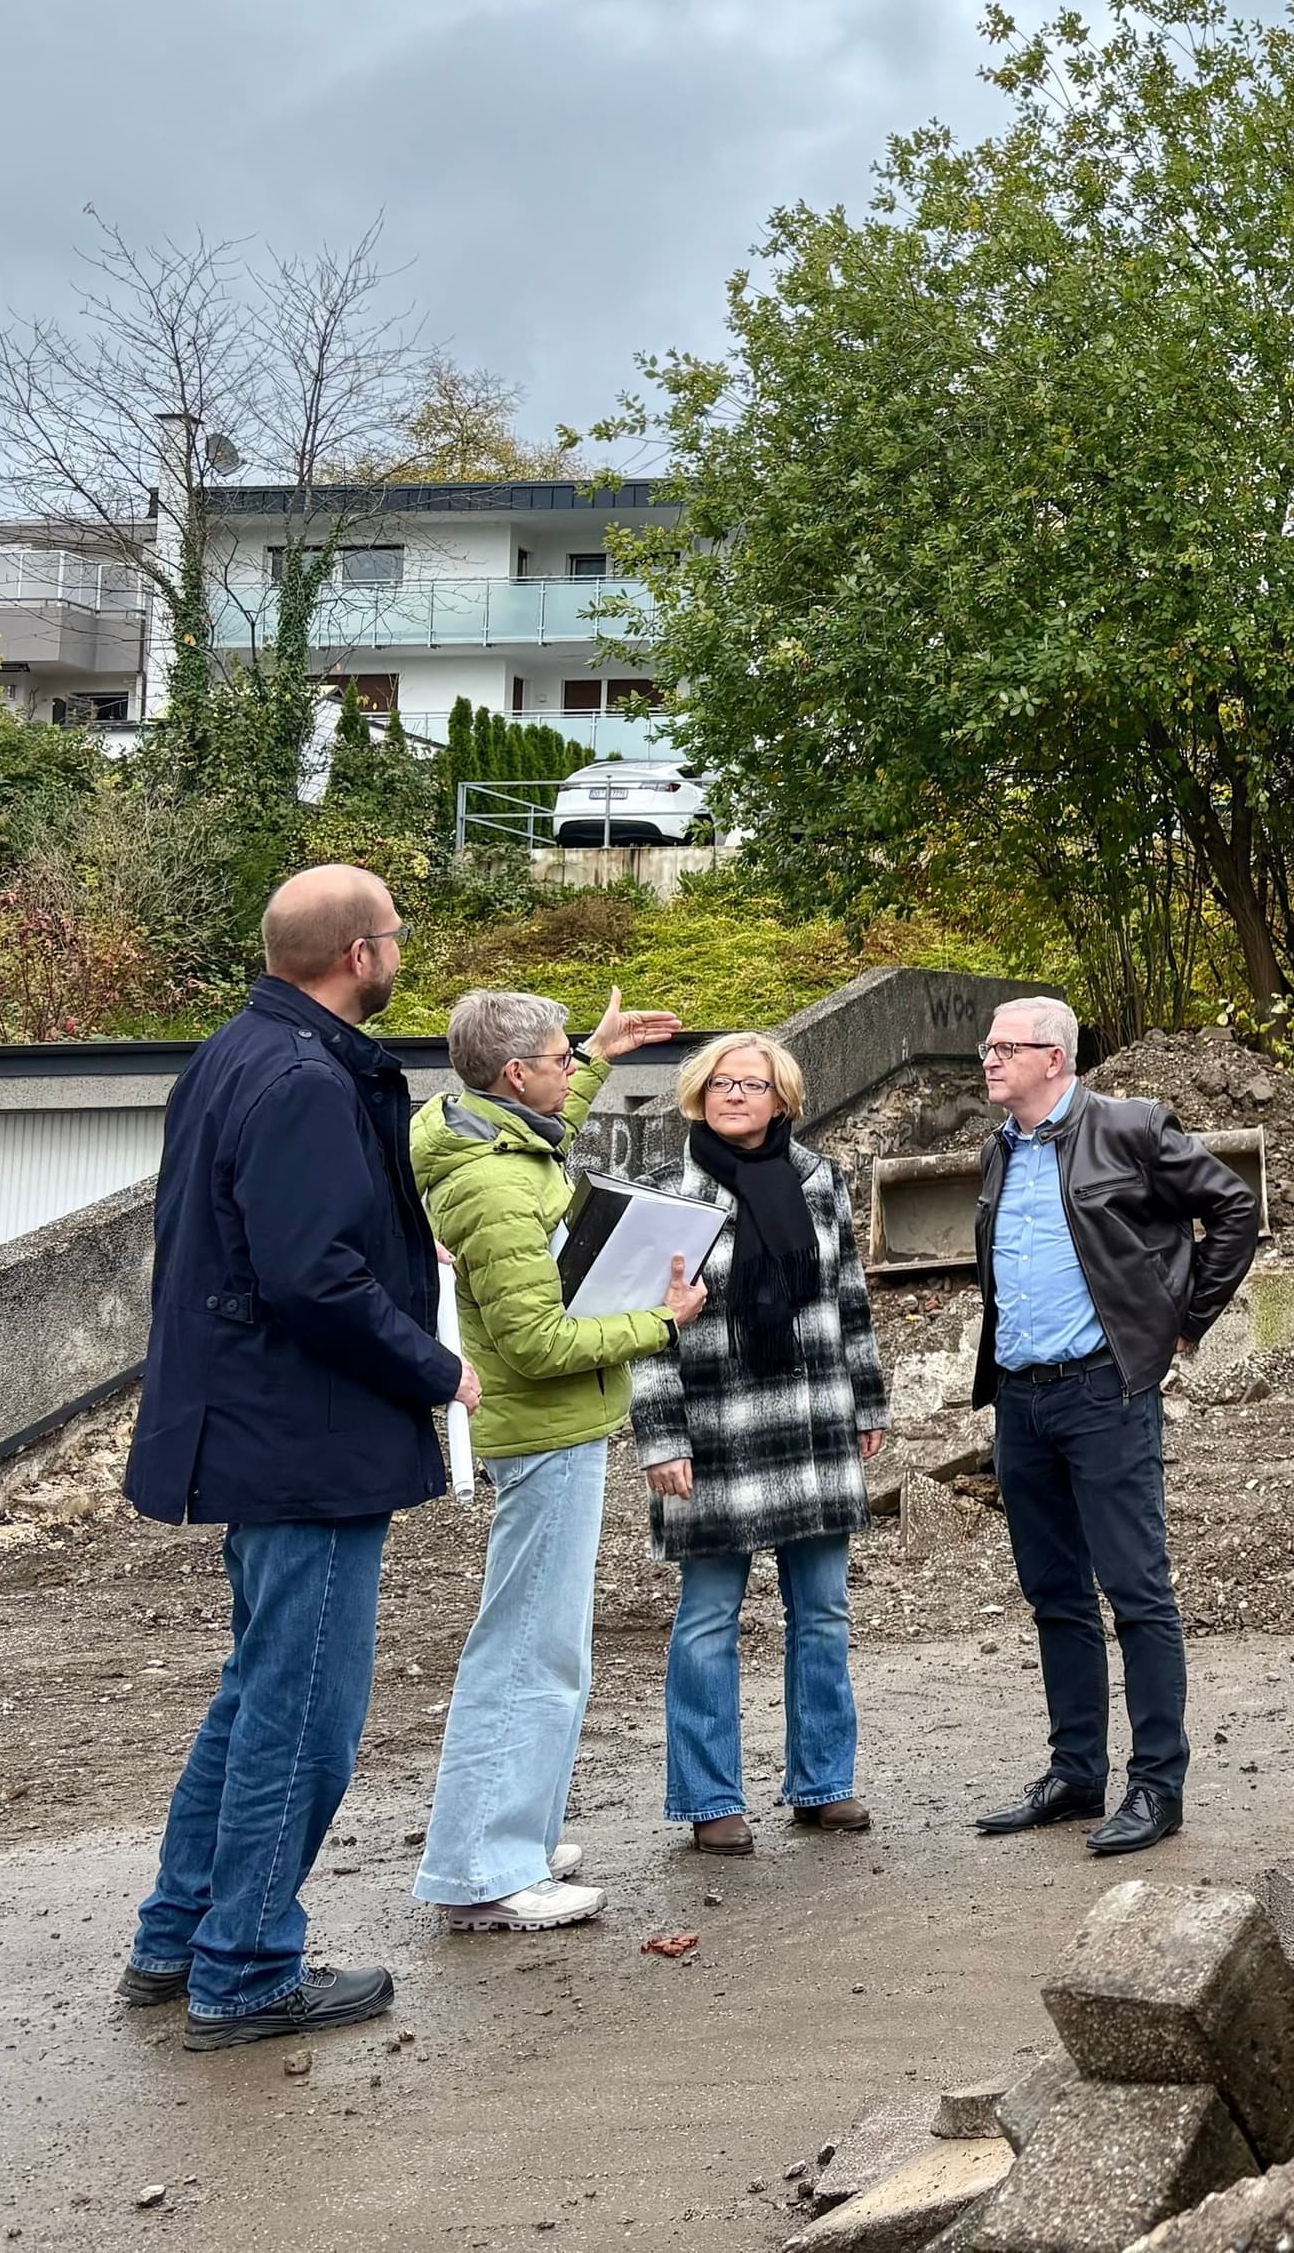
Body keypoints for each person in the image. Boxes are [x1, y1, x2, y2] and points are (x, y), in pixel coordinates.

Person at [120, 863, 469, 2047]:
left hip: (258, 1425)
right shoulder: (307, 1077)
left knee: (258, 1685)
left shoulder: (232, 1053)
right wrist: (434, 1365)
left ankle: (179, 1937)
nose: (400, 951)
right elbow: (313, 1276)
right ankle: (249, 1966)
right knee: (303, 1704)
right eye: (395, 936)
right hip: (302, 1435)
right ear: (359, 957)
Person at [406, 984, 696, 1932]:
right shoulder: (491, 1182)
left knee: (545, 1645)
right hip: (544, 1428)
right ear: (514, 1073)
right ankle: (483, 1870)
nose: (574, 1069)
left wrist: (602, 1056)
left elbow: (545, 1140)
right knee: (530, 1651)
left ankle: (511, 1836)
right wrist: (661, 1320)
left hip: (555, 1429)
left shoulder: (494, 1141)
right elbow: (533, 1342)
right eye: (564, 1057)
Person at [965, 995, 1257, 1857]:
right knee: (1055, 1593)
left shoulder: (1128, 1126)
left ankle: (1157, 1786)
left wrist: (1183, 1322)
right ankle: (1076, 1773)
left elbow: (1232, 1207)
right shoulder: (999, 1149)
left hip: (1105, 1392)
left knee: (1137, 1592)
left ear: (1053, 1058)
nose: (988, 1059)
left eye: (1004, 1047)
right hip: (1021, 1398)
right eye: (986, 1046)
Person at [629, 1029, 886, 1852]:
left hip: (813, 1424)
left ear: (784, 1101)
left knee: (823, 1613)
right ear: (697, 1094)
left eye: (752, 1083)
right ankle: (710, 1801)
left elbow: (849, 1297)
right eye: (720, 1082)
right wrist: (660, 1436)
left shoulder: (820, 1181)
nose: (733, 1094)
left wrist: (868, 1404)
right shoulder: (667, 1192)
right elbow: (643, 1333)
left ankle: (824, 1784)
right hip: (716, 1431)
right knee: (708, 1618)